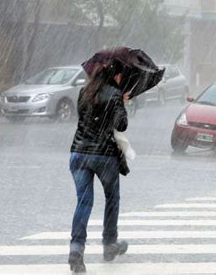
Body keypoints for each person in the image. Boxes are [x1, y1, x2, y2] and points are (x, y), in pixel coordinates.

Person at [68, 58, 129, 273]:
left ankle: (76, 249)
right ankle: (109, 244)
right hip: (103, 156)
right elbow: (121, 124)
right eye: (121, 75)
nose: (122, 78)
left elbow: (84, 119)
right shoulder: (114, 94)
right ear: (115, 75)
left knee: (83, 203)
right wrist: (122, 102)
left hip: (78, 153)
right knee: (112, 198)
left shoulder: (84, 91)